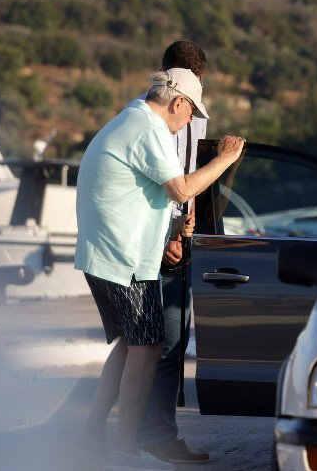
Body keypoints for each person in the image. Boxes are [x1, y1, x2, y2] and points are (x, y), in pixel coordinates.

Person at [75, 67, 244, 470]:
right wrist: (226, 158)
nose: (189, 122)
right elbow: (182, 188)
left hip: (109, 255)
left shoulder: (131, 117)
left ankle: (91, 433)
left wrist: (172, 225)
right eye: (191, 113)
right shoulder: (149, 127)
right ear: (179, 102)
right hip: (124, 260)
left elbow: (138, 190)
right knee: (148, 347)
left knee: (131, 345)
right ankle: (124, 448)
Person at [137, 41, 211, 464]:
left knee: (167, 342)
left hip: (177, 232)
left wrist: (189, 221)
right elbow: (170, 179)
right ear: (192, 81)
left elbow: (188, 175)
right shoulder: (156, 118)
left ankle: (144, 433)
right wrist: (170, 235)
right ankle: (154, 436)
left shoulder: (181, 113)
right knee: (161, 344)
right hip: (158, 238)